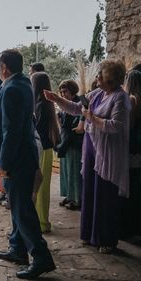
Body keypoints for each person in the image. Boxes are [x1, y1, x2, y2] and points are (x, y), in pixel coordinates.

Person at [44, 59, 131, 254]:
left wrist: (92, 118)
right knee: (90, 191)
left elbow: (117, 126)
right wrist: (56, 99)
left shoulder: (120, 98)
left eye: (101, 74)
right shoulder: (98, 93)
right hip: (92, 148)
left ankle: (106, 238)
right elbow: (77, 108)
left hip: (108, 153)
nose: (97, 76)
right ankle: (91, 234)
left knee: (105, 194)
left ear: (110, 77)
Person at [0, 51, 55, 280]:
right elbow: (3, 85)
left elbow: (11, 130)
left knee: (22, 209)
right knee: (17, 205)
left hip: (17, 158)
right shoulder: (22, 82)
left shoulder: (12, 89)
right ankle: (17, 248)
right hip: (25, 154)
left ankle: (41, 257)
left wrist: (3, 162)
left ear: (4, 67)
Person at [121, 69, 141, 240]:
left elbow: (128, 128)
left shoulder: (131, 101)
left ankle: (126, 229)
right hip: (139, 151)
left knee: (126, 190)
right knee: (135, 188)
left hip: (129, 150)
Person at [31, 71, 59, 233]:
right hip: (47, 148)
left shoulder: (41, 105)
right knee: (43, 187)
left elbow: (38, 130)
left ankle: (41, 222)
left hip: (42, 148)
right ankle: (42, 220)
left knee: (39, 188)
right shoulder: (45, 104)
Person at [55, 80, 84, 211]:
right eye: (61, 92)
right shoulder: (64, 106)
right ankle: (69, 195)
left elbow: (75, 126)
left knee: (74, 172)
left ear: (73, 91)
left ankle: (76, 199)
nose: (62, 94)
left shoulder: (79, 104)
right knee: (66, 171)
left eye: (65, 91)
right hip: (66, 142)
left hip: (74, 143)